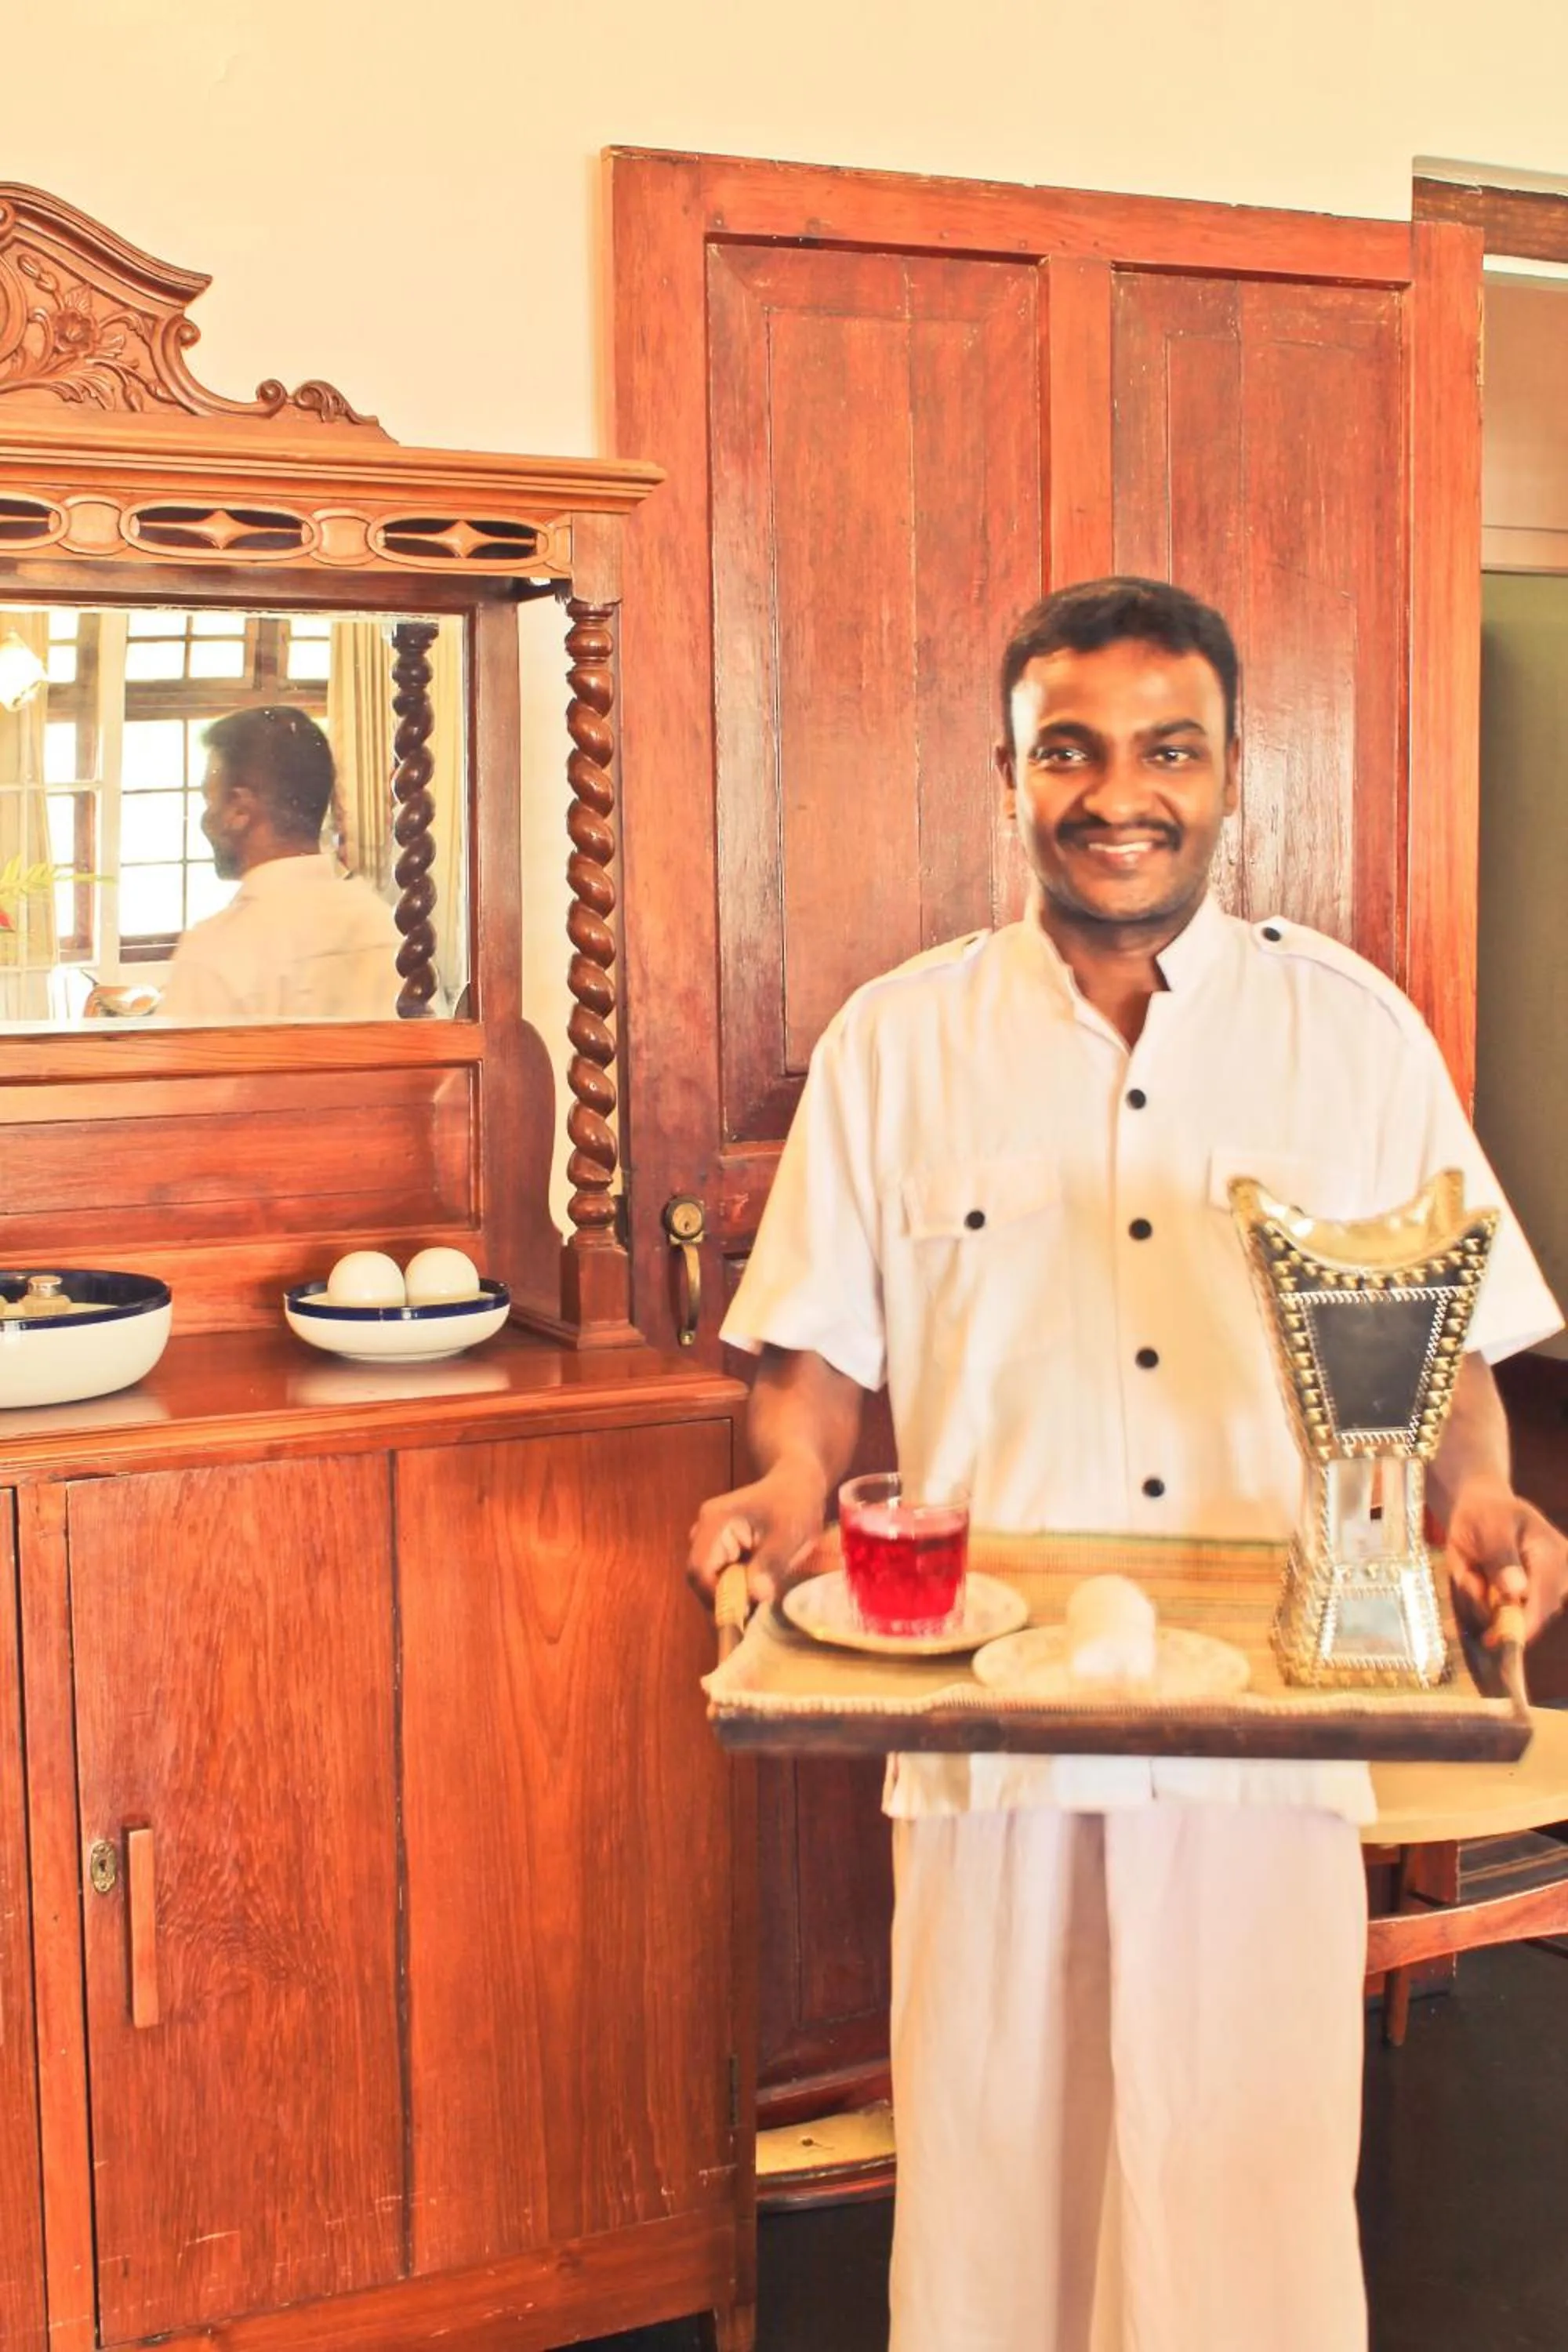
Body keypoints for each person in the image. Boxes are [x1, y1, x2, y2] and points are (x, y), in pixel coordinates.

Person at [688, 578, 1568, 2352]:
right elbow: (812, 1374)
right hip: (987, 1720)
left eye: (1164, 748)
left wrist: (1473, 1497)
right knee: (993, 2184)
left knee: (1243, 2193)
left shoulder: (1351, 1030)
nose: (1116, 792)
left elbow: (1446, 1341)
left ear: (1231, 768)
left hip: (1270, 1716)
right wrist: (783, 1489)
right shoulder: (893, 1042)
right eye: (1067, 749)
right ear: (1003, 771)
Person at [157, 706, 402, 1022]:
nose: (207, 818)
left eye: (209, 800)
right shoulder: (387, 930)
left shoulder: (214, 955)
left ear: (240, 810)